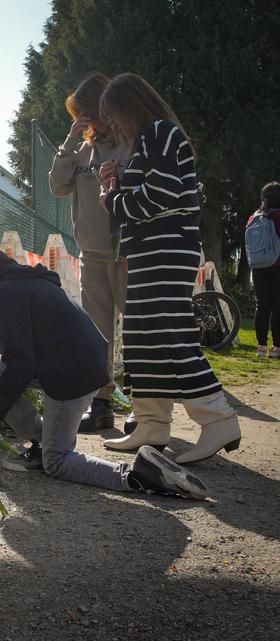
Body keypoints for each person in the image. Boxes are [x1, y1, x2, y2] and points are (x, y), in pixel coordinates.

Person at [0, 240, 207, 499]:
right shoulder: (25, 280)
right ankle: (42, 443)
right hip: (80, 363)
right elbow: (21, 356)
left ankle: (138, 475)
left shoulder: (7, 292)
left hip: (72, 375)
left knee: (57, 462)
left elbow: (21, 363)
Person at [97, 73, 241, 464]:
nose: (112, 124)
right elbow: (148, 193)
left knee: (168, 332)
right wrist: (117, 182)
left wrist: (112, 199)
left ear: (131, 106)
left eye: (114, 115)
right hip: (152, 251)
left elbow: (156, 197)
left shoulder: (160, 133)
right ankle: (151, 423)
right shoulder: (150, 140)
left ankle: (218, 419)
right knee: (143, 335)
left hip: (166, 249)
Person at [48, 72, 130, 434]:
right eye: (77, 115)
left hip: (128, 251)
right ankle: (102, 404)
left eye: (87, 112)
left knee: (138, 327)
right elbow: (57, 186)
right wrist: (69, 138)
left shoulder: (129, 142)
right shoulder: (80, 150)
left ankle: (145, 405)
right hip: (92, 253)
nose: (83, 120)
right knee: (98, 332)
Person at [247, 182, 280, 357]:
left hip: (258, 266)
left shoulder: (254, 217)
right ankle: (276, 347)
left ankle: (261, 347)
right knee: (277, 306)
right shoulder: (277, 217)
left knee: (262, 305)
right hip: (277, 265)